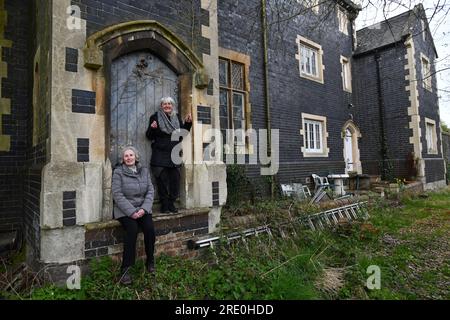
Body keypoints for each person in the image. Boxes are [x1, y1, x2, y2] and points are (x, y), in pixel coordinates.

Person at [112, 146, 156, 285]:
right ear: (123, 159)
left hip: (143, 208)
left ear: (136, 157)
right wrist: (131, 212)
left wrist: (144, 209)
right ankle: (125, 269)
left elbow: (150, 190)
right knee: (132, 229)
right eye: (126, 156)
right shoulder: (118, 172)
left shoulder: (144, 171)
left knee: (149, 229)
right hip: (124, 209)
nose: (129, 157)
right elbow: (117, 195)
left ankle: (150, 261)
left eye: (131, 155)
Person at [146, 97, 192, 213]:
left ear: (172, 106)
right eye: (164, 104)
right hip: (160, 155)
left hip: (174, 154)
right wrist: (152, 128)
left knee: (175, 181)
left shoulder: (176, 117)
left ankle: (171, 203)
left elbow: (181, 135)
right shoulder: (155, 117)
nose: (167, 106)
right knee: (162, 182)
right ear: (161, 106)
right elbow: (149, 136)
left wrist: (187, 123)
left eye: (169, 104)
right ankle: (164, 205)